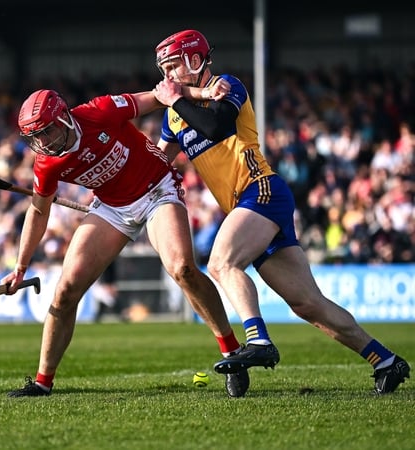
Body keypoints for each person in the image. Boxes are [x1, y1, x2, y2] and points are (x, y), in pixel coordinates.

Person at [152, 29, 410, 394]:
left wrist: (176, 100)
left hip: (262, 190)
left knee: (222, 263)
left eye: (174, 66)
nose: (169, 77)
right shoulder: (174, 116)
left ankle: (257, 341)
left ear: (195, 60)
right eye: (165, 69)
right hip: (246, 205)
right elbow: (155, 162)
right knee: (308, 304)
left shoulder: (227, 86)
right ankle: (385, 361)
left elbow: (216, 125)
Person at [4, 85, 255, 398]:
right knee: (66, 290)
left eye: (46, 131)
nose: (41, 143)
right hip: (111, 208)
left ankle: (232, 353)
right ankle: (42, 382)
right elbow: (38, 212)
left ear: (65, 118)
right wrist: (20, 266)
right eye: (35, 137)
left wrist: (203, 91)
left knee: (182, 269)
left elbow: (159, 95)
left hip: (157, 189)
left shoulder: (98, 111)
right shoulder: (47, 163)